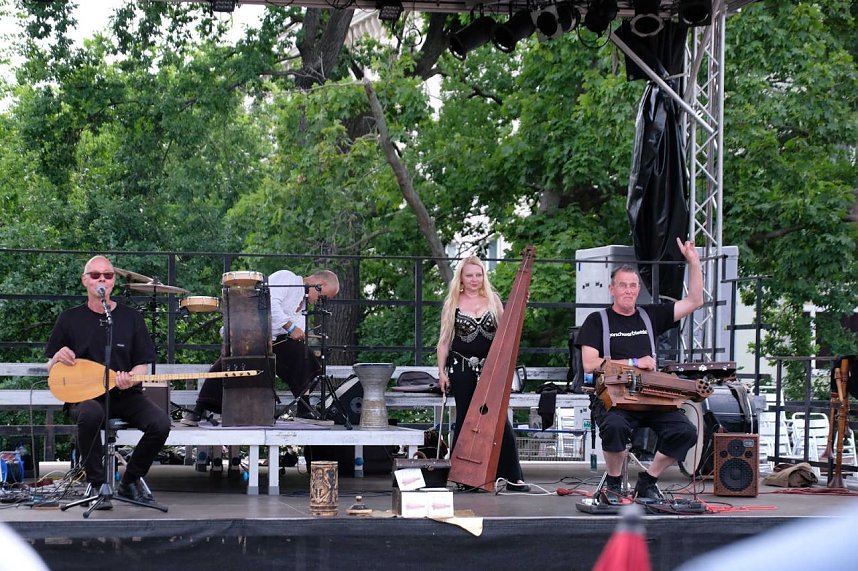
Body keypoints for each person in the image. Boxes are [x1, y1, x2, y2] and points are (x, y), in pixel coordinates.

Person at [577, 237, 703, 502]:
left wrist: (693, 262)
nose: (629, 290)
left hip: (651, 396)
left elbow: (694, 301)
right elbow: (589, 363)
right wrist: (635, 363)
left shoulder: (651, 315)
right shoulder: (596, 321)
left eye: (633, 286)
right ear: (612, 289)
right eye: (623, 285)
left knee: (685, 431)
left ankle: (648, 480)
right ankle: (613, 485)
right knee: (613, 427)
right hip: (615, 397)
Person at [46, 255, 171, 509]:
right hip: (85, 396)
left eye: (108, 275)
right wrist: (57, 358)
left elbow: (142, 363)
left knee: (161, 423)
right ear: (85, 281)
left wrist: (131, 377)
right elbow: (51, 367)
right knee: (90, 413)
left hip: (125, 394)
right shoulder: (69, 319)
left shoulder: (130, 318)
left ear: (113, 282)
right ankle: (98, 483)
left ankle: (130, 480)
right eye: (95, 275)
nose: (102, 279)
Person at [182, 269, 340, 425]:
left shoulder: (304, 303)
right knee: (232, 363)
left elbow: (294, 329)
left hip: (274, 341)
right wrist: (291, 327)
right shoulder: (287, 278)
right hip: (251, 332)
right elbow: (270, 303)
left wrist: (295, 331)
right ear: (320, 284)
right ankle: (199, 409)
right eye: (323, 296)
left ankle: (303, 409)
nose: (321, 300)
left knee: (302, 354)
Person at [437, 256, 529, 492]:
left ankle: (512, 476)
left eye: (478, 274)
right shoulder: (453, 302)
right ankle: (464, 476)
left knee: (498, 419)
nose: (474, 279)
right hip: (462, 367)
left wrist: (521, 307)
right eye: (469, 275)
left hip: (491, 369)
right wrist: (441, 373)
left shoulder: (493, 300)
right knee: (467, 419)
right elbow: (444, 341)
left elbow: (507, 330)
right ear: (461, 278)